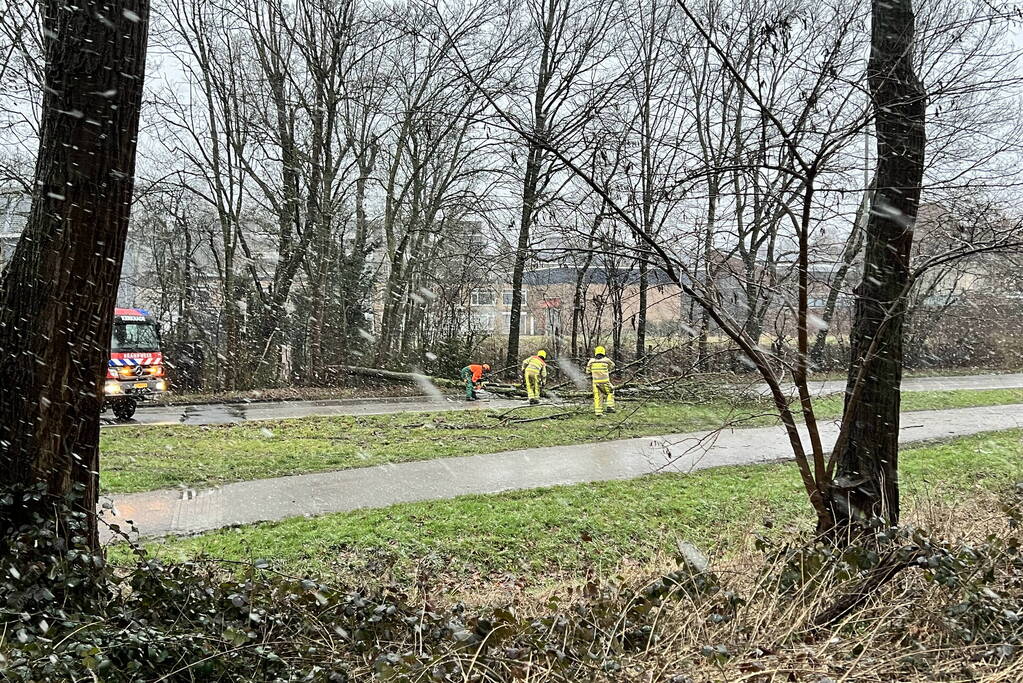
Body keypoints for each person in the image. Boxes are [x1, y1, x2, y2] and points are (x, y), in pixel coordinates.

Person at [585, 346, 616, 416]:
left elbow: (587, 371)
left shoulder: (591, 361)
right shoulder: (606, 360)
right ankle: (610, 407)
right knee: (611, 391)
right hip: (605, 381)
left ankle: (598, 412)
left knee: (598, 397)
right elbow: (613, 366)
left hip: (595, 382)